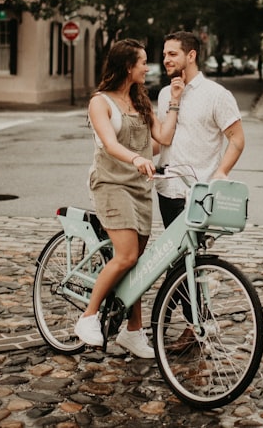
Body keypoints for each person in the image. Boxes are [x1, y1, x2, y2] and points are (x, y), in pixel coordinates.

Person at [74, 39, 184, 358]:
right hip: (111, 184)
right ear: (127, 66)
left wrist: (175, 102)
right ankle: (88, 317)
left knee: (138, 265)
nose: (147, 68)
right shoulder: (101, 102)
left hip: (139, 188)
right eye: (143, 62)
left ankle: (132, 332)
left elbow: (161, 139)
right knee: (126, 256)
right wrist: (136, 159)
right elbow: (109, 143)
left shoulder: (140, 100)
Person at [156, 31, 245, 227]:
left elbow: (237, 139)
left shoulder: (217, 95)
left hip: (197, 191)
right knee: (175, 254)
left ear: (191, 56)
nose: (166, 60)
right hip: (167, 189)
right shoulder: (165, 94)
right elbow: (163, 139)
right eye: (164, 55)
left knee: (191, 254)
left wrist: (221, 173)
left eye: (172, 54)